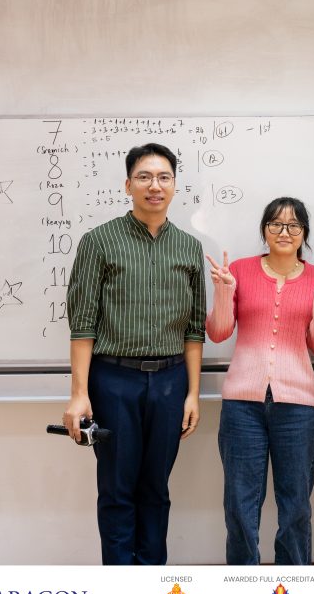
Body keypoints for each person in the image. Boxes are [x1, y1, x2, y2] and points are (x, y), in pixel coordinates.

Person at [62, 142, 206, 567]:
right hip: (114, 380)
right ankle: (120, 589)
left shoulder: (188, 248)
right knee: (117, 489)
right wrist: (79, 394)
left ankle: (151, 584)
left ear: (175, 186)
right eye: (144, 177)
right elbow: (82, 324)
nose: (154, 186)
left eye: (163, 177)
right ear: (128, 185)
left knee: (156, 489)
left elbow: (194, 329)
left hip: (171, 381)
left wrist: (193, 393)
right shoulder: (99, 242)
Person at [205, 197, 314, 565]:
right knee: (240, 503)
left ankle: (293, 586)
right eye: (276, 224)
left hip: (297, 406)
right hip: (242, 405)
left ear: (304, 233)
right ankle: (243, 584)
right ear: (265, 229)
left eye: (294, 225)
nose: (285, 232)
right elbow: (219, 332)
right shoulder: (239, 270)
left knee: (296, 506)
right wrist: (223, 291)